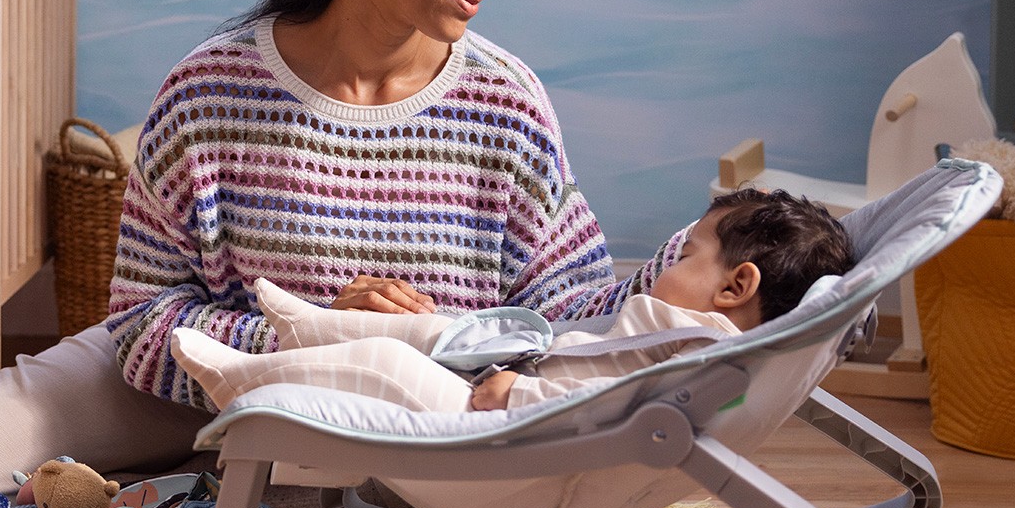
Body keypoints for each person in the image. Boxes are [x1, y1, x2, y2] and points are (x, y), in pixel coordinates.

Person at [0, 0, 668, 492]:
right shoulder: (210, 89)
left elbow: (571, 308)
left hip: (421, 415)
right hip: (216, 382)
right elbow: (143, 317)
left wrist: (697, 262)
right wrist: (309, 338)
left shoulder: (509, 103)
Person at [171, 189, 856, 414]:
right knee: (437, 330)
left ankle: (241, 381)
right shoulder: (693, 333)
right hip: (521, 381)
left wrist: (516, 396)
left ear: (737, 286)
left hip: (505, 423)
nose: (668, 264)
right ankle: (311, 322)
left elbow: (607, 407)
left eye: (687, 255)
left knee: (384, 360)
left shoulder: (692, 345)